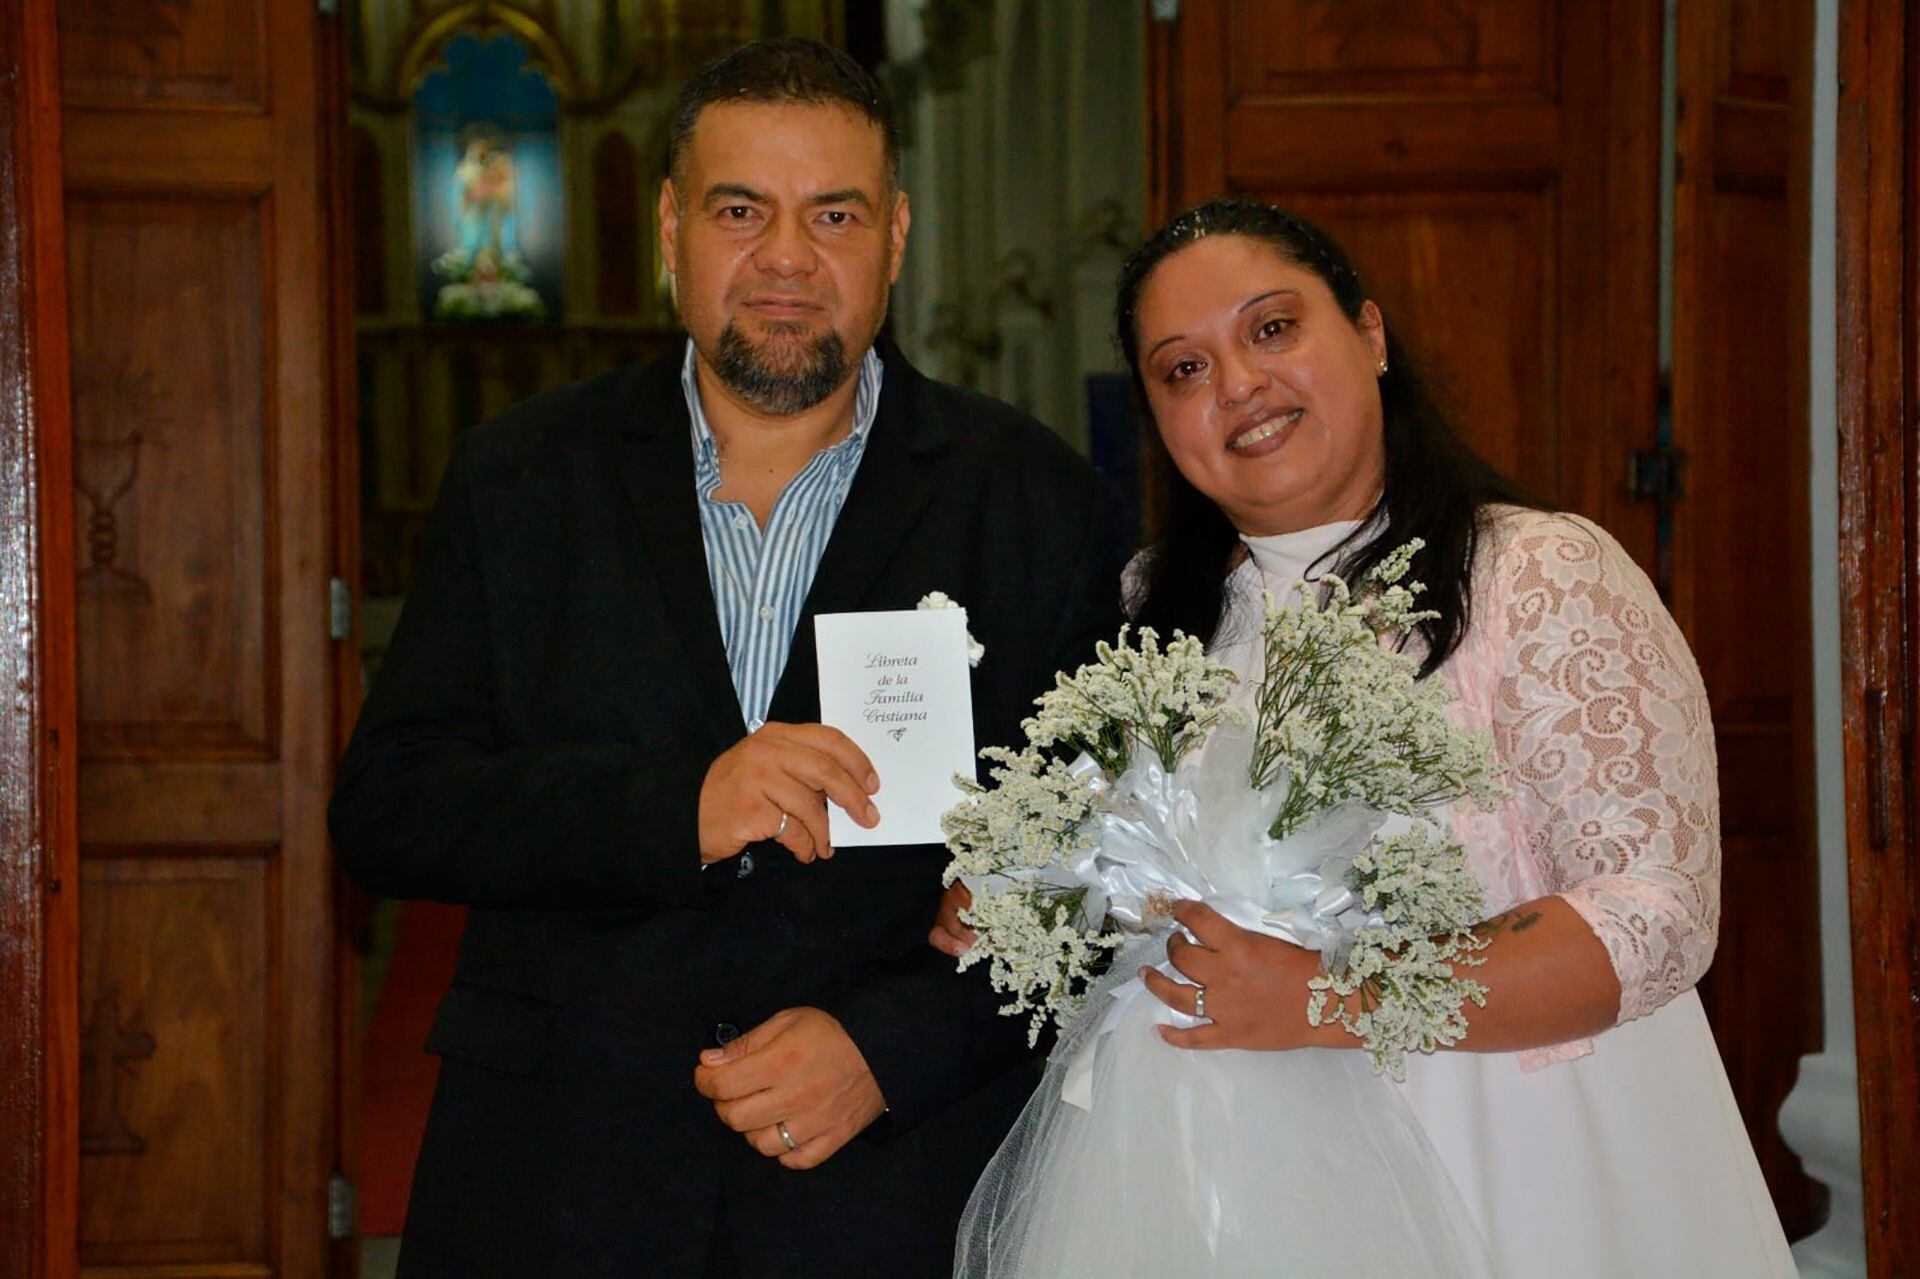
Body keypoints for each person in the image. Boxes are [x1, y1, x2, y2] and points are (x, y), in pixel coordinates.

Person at [330, 38, 1119, 1278]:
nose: (789, 259)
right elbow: (390, 807)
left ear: (896, 236)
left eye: (836, 213)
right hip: (558, 1175)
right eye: (741, 209)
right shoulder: (522, 477)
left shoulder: (1036, 503)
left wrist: (892, 1048)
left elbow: (1090, 875)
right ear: (669, 229)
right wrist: (676, 807)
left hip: (885, 1191)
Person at [931, 198, 1797, 1277]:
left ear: (1371, 334)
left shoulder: (1536, 575)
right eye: (1183, 370)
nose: (1238, 384)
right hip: (1214, 1179)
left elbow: (1659, 910)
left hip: (1510, 1163)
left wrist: (1334, 1002)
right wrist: (1030, 893)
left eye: (1272, 328)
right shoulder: (1154, 611)